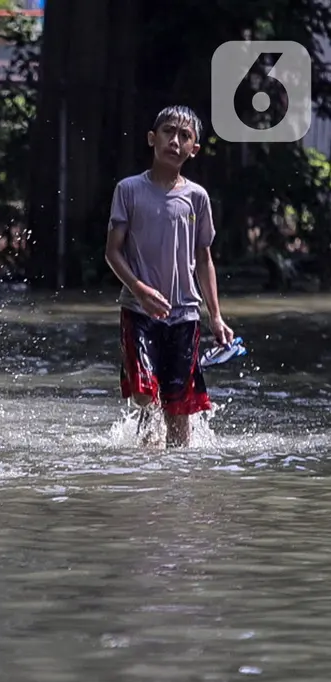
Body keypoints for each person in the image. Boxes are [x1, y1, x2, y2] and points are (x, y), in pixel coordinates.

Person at [105, 105, 233, 448]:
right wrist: (139, 288)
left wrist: (216, 317)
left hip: (185, 313)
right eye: (168, 132)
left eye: (185, 136)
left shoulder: (197, 198)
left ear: (194, 149)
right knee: (146, 394)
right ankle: (147, 449)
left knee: (181, 408)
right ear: (152, 138)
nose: (175, 141)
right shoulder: (128, 190)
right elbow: (112, 251)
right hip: (138, 309)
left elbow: (204, 258)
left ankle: (176, 477)